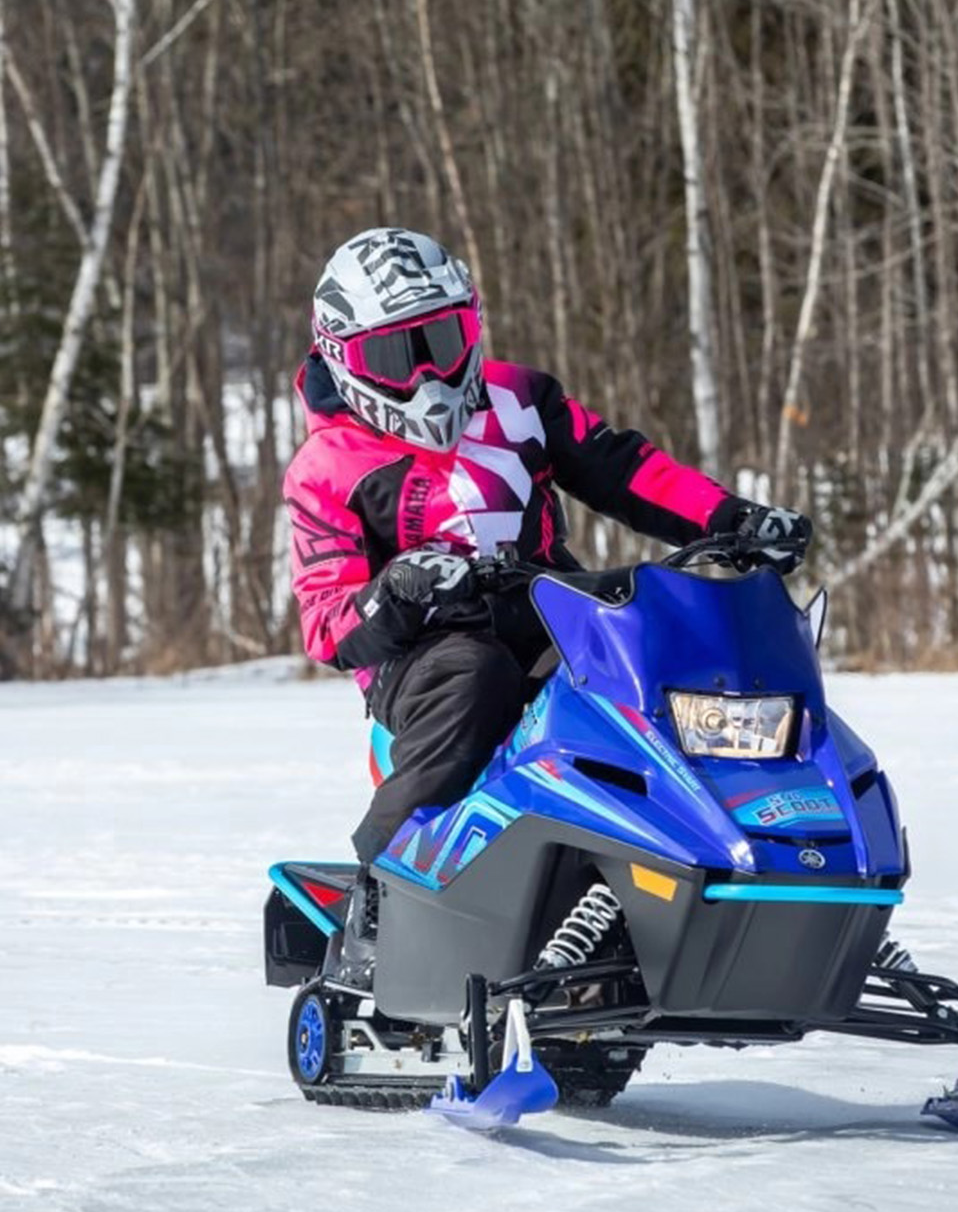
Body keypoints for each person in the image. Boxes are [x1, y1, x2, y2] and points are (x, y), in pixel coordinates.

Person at [282, 227, 810, 987]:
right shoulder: (327, 468)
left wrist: (733, 520)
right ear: (343, 357)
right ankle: (376, 903)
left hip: (551, 611)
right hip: (421, 657)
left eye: (443, 338)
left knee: (663, 662)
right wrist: (396, 591)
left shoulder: (521, 399)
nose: (429, 373)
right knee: (476, 676)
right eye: (399, 355)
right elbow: (328, 624)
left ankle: (725, 864)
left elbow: (628, 471)